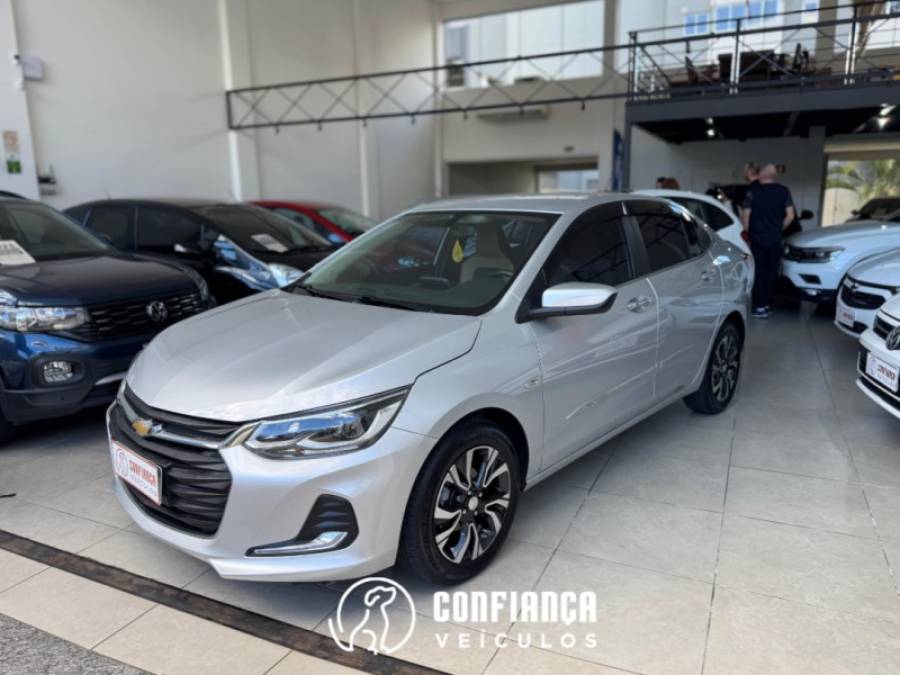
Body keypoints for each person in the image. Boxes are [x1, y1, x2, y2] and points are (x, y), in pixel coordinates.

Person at [741, 163, 795, 319]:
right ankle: (767, 305)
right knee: (771, 272)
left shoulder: (753, 192)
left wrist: (747, 232)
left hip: (757, 238)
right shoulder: (784, 191)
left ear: (761, 176)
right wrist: (779, 228)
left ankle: (758, 307)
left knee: (758, 271)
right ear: (773, 176)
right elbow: (790, 216)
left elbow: (746, 215)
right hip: (775, 238)